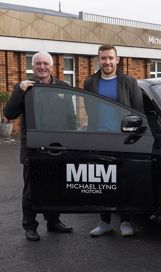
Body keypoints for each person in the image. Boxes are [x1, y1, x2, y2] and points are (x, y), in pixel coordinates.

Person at [3, 51, 73, 241]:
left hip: (57, 147)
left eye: (45, 63)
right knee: (31, 190)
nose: (42, 67)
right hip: (33, 148)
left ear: (52, 66)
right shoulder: (26, 88)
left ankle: (53, 221)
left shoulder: (63, 87)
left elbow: (70, 118)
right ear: (32, 67)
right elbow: (9, 113)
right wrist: (19, 90)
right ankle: (30, 226)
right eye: (38, 64)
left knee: (55, 186)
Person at [84, 44, 143, 237]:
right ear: (98, 60)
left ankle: (126, 221)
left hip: (123, 139)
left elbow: (138, 111)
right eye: (103, 58)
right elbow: (89, 109)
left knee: (123, 180)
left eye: (110, 58)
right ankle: (105, 221)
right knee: (101, 181)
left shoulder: (129, 82)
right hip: (99, 138)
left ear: (117, 59)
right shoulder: (90, 83)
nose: (107, 62)